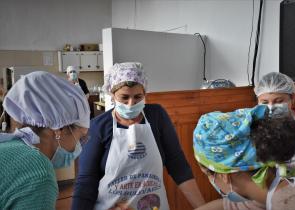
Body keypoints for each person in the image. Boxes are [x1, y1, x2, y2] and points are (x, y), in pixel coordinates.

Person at [72, 62, 205, 210]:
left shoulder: (157, 116)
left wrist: (202, 207)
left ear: (145, 93)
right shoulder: (98, 126)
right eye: (124, 97)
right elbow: (86, 181)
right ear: (112, 94)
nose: (131, 104)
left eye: (137, 97)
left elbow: (178, 165)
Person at [193, 105, 295, 210]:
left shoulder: (293, 203)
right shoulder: (274, 186)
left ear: (224, 176)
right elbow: (231, 206)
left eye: (209, 175)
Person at [0, 71, 90, 210]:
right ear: (59, 130)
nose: (79, 146)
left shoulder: (9, 144)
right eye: (80, 137)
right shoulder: (38, 174)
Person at [254, 72, 295, 170]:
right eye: (265, 102)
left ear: (293, 98)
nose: (271, 107)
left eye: (279, 101)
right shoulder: (252, 125)